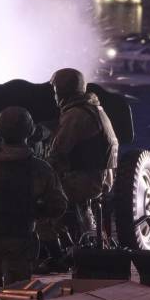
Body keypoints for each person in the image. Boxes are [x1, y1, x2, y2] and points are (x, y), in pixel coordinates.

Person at [0, 106, 67, 289]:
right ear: (30, 131)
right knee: (18, 293)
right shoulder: (40, 169)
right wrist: (36, 213)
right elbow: (59, 204)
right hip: (21, 237)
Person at [45, 68, 118, 254]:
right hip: (99, 177)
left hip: (85, 181)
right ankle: (81, 241)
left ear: (62, 91)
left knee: (38, 197)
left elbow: (57, 153)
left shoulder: (75, 115)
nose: (54, 95)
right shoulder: (95, 108)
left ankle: (54, 250)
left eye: (55, 90)